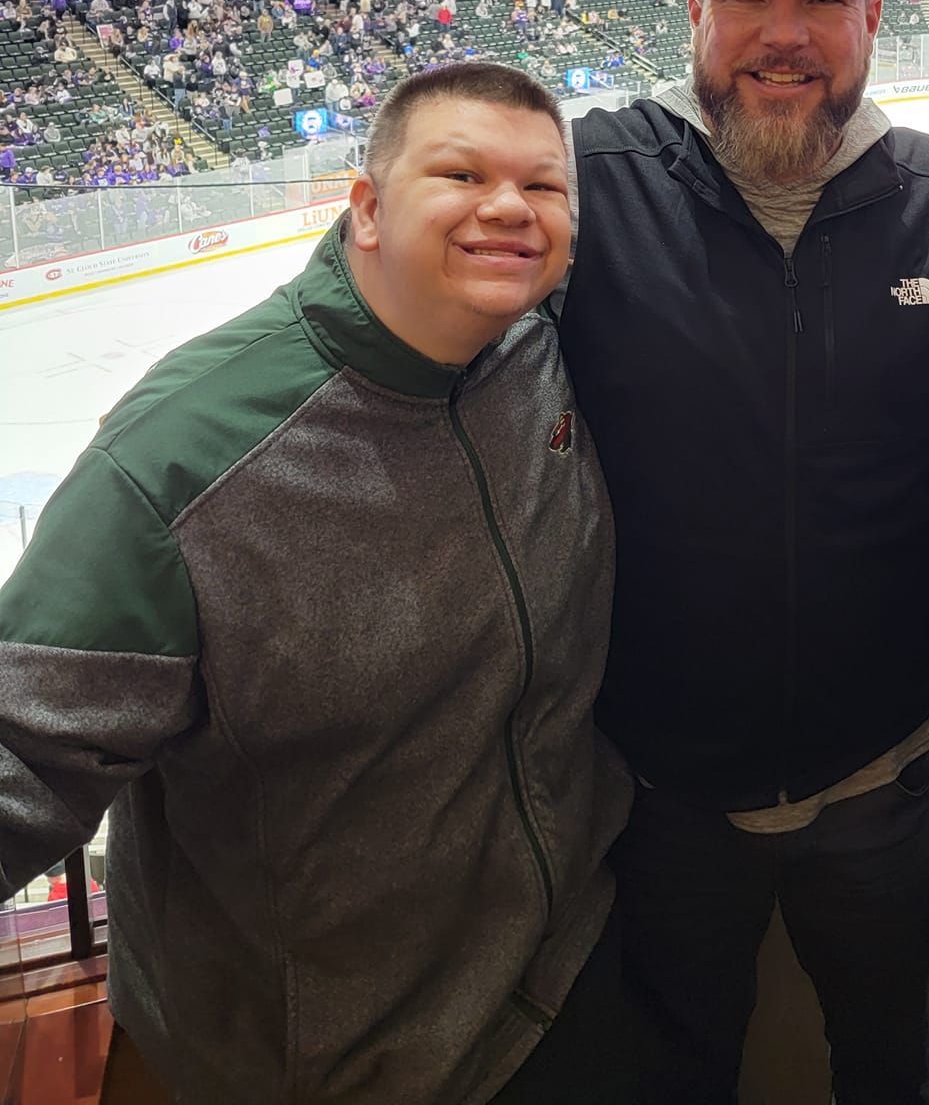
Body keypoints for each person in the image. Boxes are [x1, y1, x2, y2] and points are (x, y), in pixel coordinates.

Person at [0, 65, 633, 1105]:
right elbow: (22, 753)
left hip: (560, 988)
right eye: (462, 171)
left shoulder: (538, 349)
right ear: (369, 207)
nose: (510, 205)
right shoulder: (184, 455)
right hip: (314, 1065)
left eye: (545, 185)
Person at [556, 0, 929, 1105]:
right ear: (692, 8)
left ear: (873, 22)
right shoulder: (588, 177)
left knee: (899, 1071)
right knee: (673, 1072)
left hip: (888, 780)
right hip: (658, 796)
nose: (784, 33)